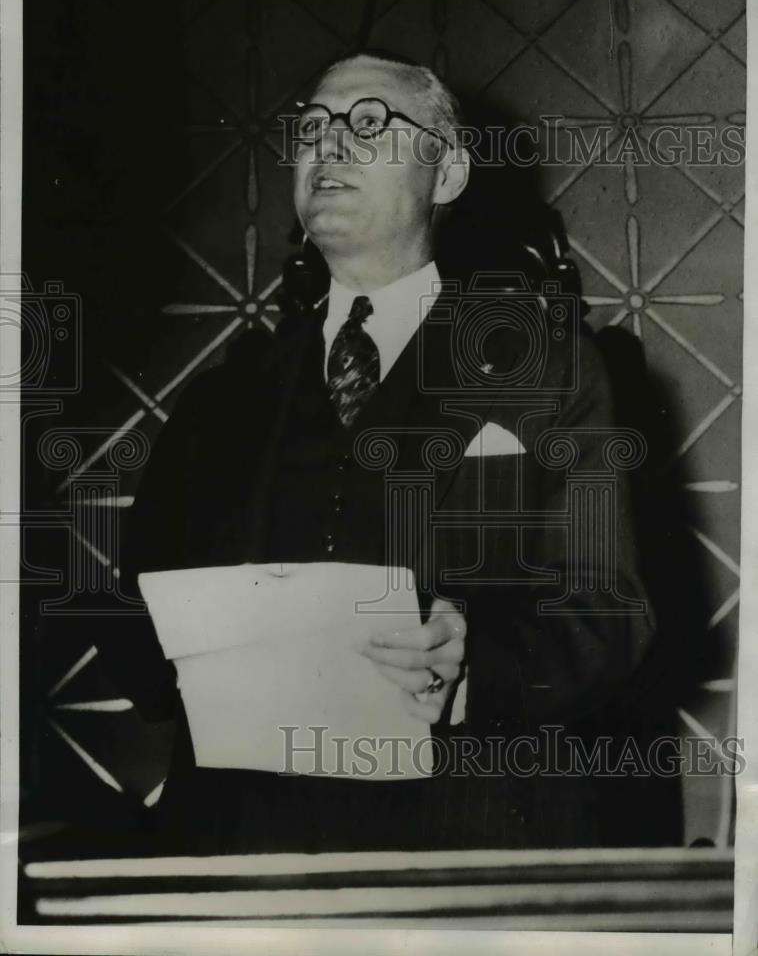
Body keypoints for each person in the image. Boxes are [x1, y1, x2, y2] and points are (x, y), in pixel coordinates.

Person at [100, 51, 655, 854]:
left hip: (466, 846)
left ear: (450, 174)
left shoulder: (546, 363)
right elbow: (133, 626)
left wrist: (474, 664)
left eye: (370, 124)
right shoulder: (225, 396)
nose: (330, 145)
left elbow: (610, 614)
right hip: (246, 850)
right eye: (315, 126)